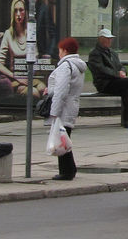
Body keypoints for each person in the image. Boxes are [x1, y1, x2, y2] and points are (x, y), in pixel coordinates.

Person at [44, 36, 86, 181]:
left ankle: (67, 171)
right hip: (72, 104)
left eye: (60, 50)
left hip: (63, 107)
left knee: (61, 138)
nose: (59, 53)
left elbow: (61, 91)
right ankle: (69, 169)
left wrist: (54, 112)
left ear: (65, 50)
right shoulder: (77, 66)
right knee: (64, 137)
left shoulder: (65, 66)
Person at [0, 0, 43, 98]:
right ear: (12, 13)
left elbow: (36, 57)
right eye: (15, 10)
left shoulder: (30, 32)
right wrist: (16, 77)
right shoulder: (8, 34)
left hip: (30, 76)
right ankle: (33, 113)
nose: (18, 14)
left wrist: (31, 74)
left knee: (43, 88)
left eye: (21, 10)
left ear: (25, 12)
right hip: (16, 79)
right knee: (34, 93)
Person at [88, 28, 128, 127]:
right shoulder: (95, 53)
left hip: (116, 82)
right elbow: (101, 70)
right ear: (100, 39)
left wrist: (122, 71)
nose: (109, 41)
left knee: (127, 91)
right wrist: (118, 74)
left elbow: (120, 66)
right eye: (107, 38)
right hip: (104, 83)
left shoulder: (113, 53)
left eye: (110, 39)